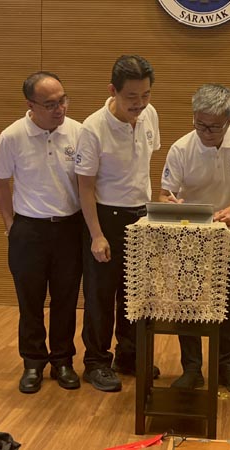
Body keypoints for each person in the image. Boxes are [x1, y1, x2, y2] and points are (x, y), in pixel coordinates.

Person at [159, 84, 230, 396]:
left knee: (228, 305)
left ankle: (225, 367)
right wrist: (172, 203)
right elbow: (164, 194)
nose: (205, 132)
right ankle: (192, 369)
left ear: (229, 120)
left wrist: (229, 212)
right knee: (187, 305)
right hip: (189, 239)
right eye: (200, 124)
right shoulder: (181, 148)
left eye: (214, 127)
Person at [0, 72, 84, 393]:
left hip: (69, 228)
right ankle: (32, 362)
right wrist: (10, 224)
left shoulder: (78, 132)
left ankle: (62, 361)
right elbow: (0, 181)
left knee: (66, 300)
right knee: (29, 301)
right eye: (50, 104)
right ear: (30, 105)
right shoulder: (12, 136)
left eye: (62, 100)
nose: (60, 109)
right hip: (29, 229)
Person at [75, 55, 161, 392]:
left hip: (141, 216)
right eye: (131, 97)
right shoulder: (93, 128)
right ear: (113, 90)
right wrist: (96, 235)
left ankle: (129, 355)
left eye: (146, 95)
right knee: (100, 294)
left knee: (135, 293)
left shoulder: (150, 114)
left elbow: (144, 166)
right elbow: (84, 186)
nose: (139, 104)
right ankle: (96, 362)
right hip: (105, 217)